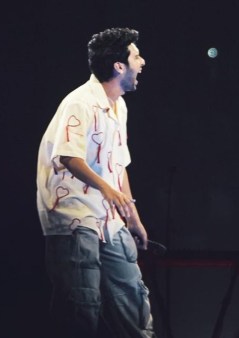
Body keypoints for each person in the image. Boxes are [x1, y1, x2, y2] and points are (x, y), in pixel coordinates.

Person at [36, 27, 155, 338]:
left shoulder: (120, 106)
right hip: (74, 216)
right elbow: (68, 157)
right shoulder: (80, 102)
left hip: (109, 218)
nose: (141, 62)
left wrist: (132, 216)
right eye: (135, 56)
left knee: (131, 294)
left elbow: (119, 164)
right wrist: (108, 189)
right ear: (119, 66)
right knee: (80, 304)